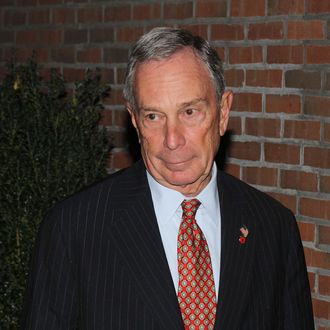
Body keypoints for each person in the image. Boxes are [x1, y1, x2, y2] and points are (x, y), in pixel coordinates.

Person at [21, 27, 314, 330]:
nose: (172, 140)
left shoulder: (273, 226)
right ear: (134, 121)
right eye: (153, 116)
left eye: (189, 111)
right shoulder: (74, 228)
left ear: (223, 112)